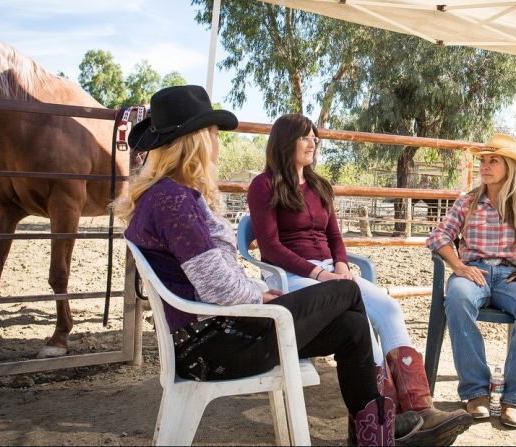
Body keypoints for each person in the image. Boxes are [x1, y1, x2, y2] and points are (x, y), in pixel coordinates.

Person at [118, 86, 420, 446]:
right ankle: (381, 430)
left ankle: (376, 434)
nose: (217, 143)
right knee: (347, 290)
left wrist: (260, 291)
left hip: (218, 335)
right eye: (213, 134)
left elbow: (215, 278)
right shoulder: (173, 201)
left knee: (353, 325)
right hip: (215, 346)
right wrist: (262, 295)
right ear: (195, 140)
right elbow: (219, 288)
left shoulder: (170, 197)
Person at [247, 113, 473, 446]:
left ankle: (419, 409)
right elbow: (271, 247)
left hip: (330, 272)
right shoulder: (264, 185)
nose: (313, 144)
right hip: (295, 278)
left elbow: (335, 236)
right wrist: (320, 273)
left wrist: (340, 265)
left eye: (315, 138)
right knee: (361, 324)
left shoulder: (320, 186)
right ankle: (383, 419)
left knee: (389, 308)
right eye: (306, 138)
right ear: (285, 141)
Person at [426, 133, 516, 428]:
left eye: (493, 160)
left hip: (512, 274)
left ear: (509, 166)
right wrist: (457, 265)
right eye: (483, 160)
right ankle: (476, 392)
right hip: (475, 271)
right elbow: (439, 236)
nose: (485, 165)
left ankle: (515, 398)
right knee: (457, 298)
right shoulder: (468, 201)